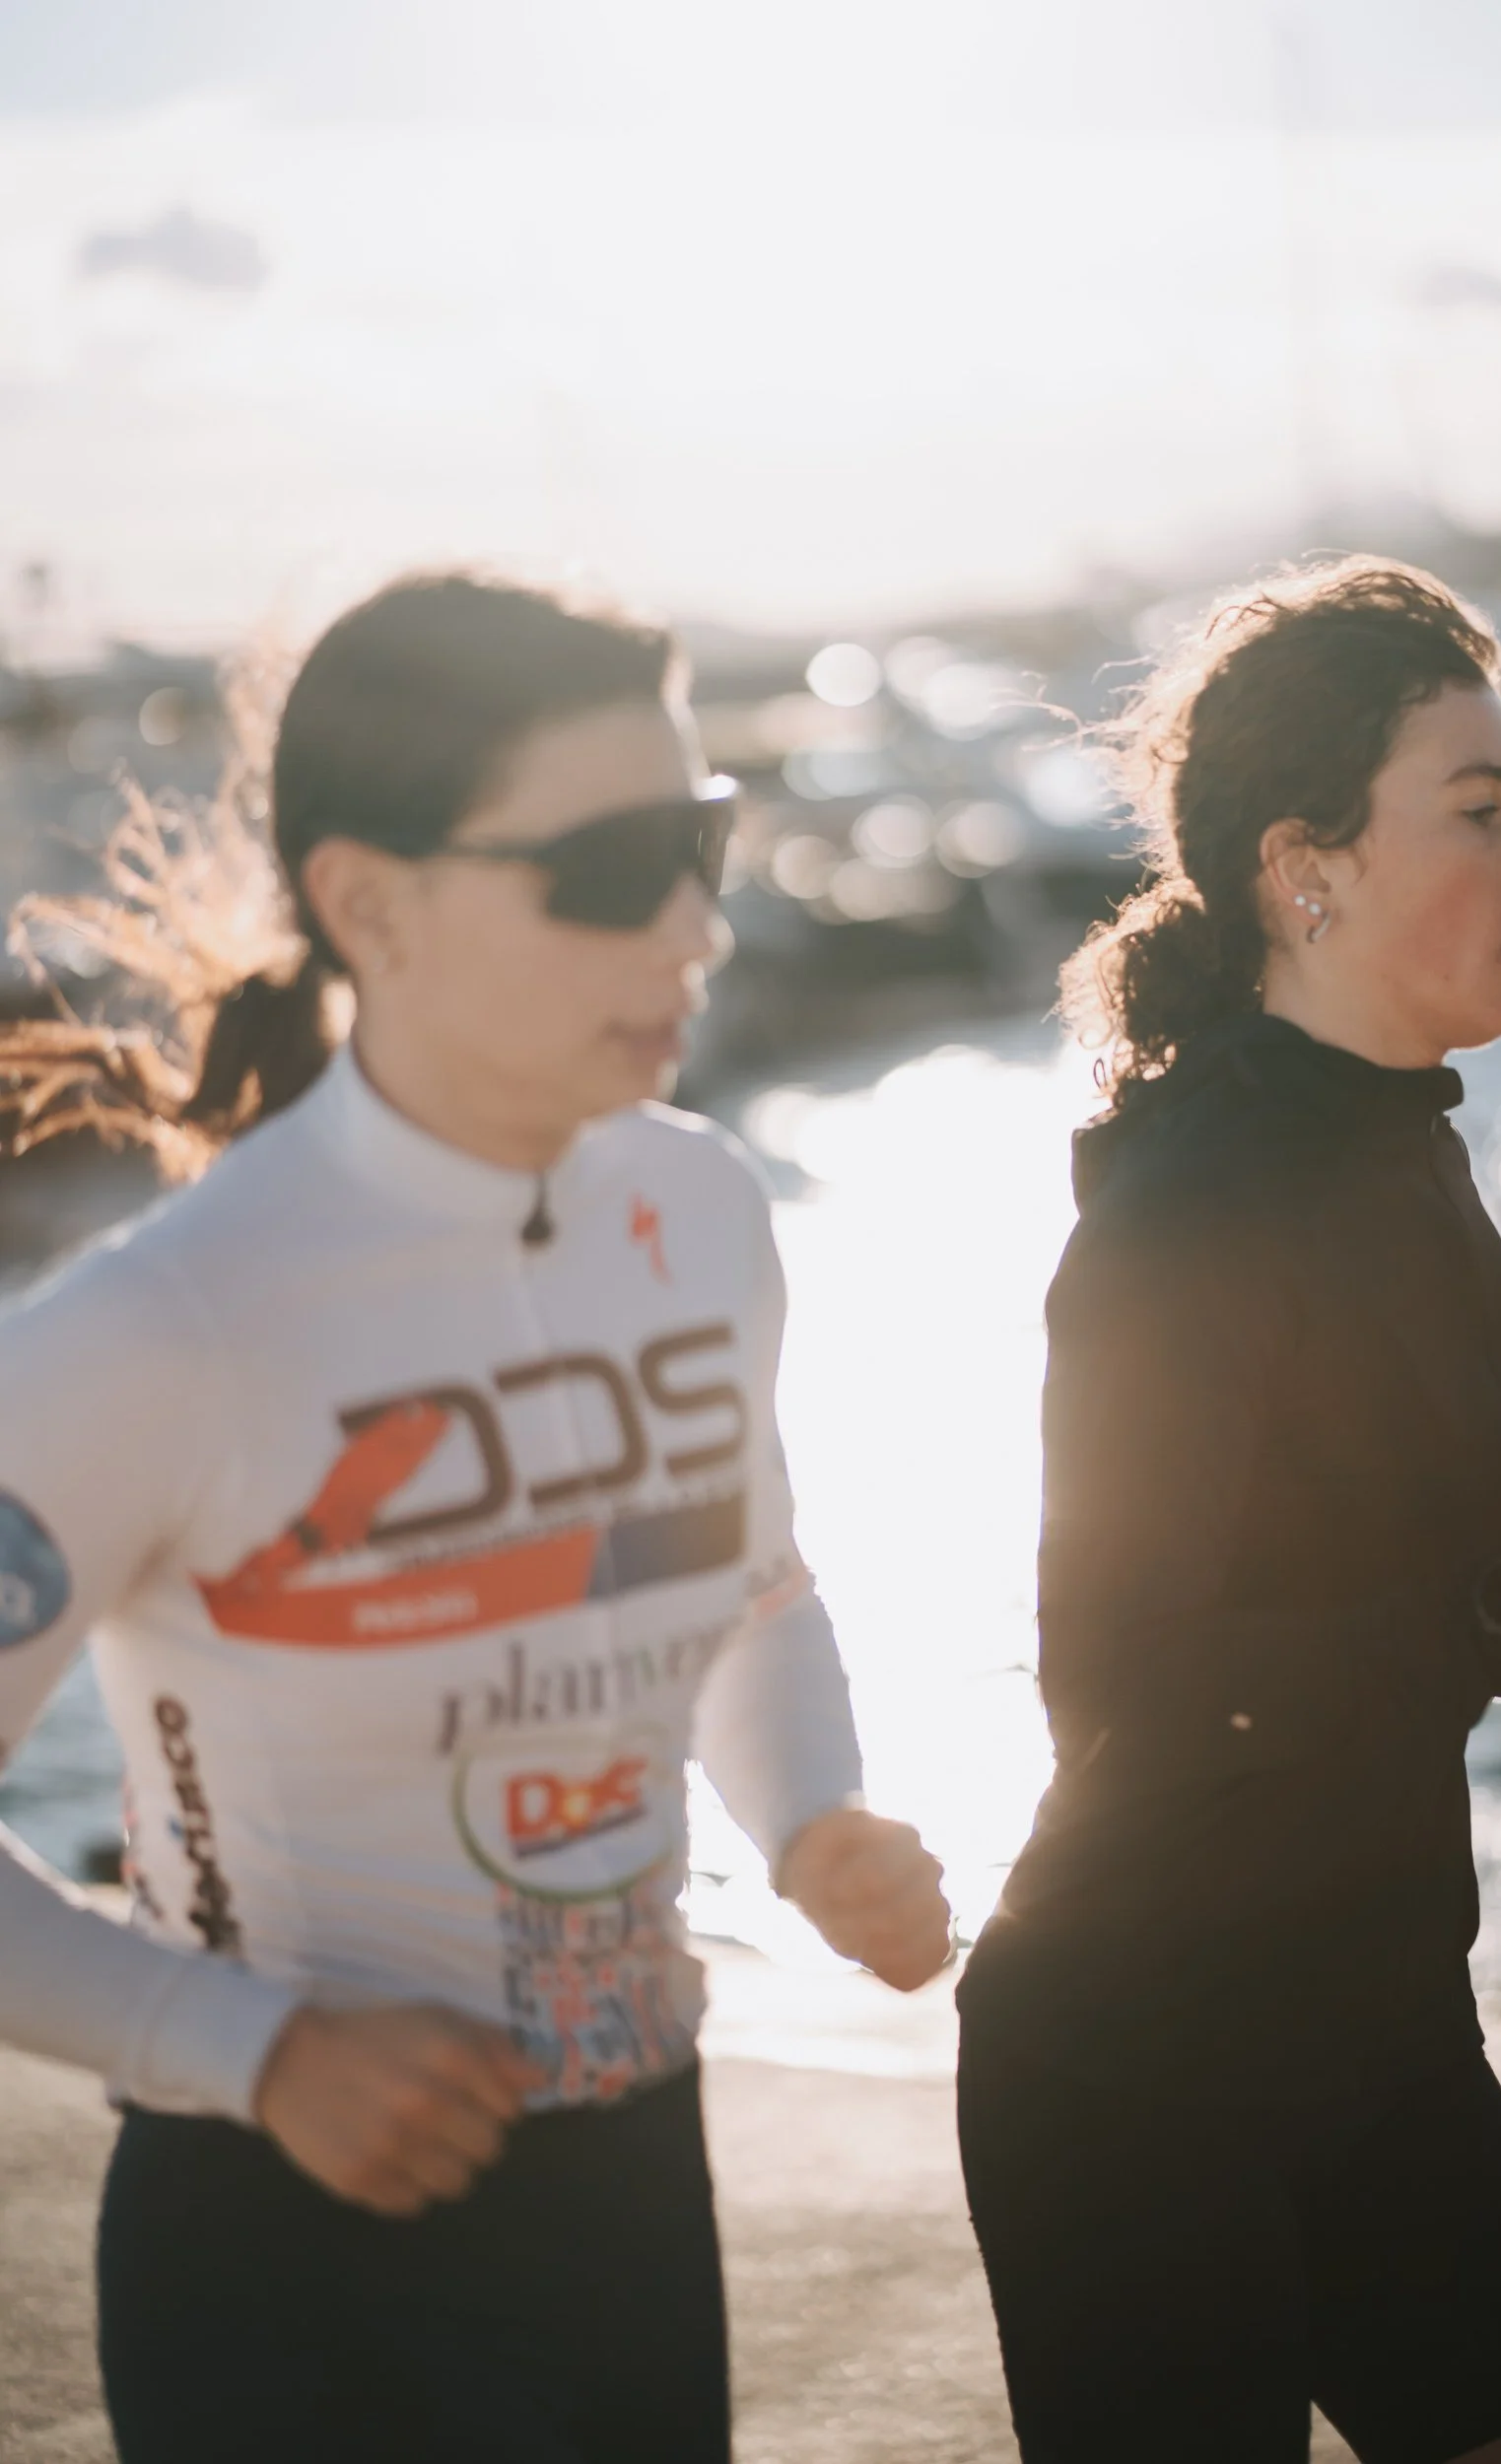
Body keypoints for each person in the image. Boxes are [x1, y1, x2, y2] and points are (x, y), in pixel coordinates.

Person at [0, 573, 951, 2464]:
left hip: (626, 2201)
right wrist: (252, 2053)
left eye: (703, 841)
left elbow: (745, 1596)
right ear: (373, 904)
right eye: (613, 866)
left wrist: (815, 1818)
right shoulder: (160, 1325)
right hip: (289, 2251)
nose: (699, 921)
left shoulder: (699, 1207)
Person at [956, 560, 1501, 2463]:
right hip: (1139, 2072)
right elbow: (1124, 1686)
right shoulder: (1194, 1205)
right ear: (1303, 867)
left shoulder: (1393, 1142)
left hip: (1373, 2033)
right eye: (1480, 808)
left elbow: (1358, 1596)